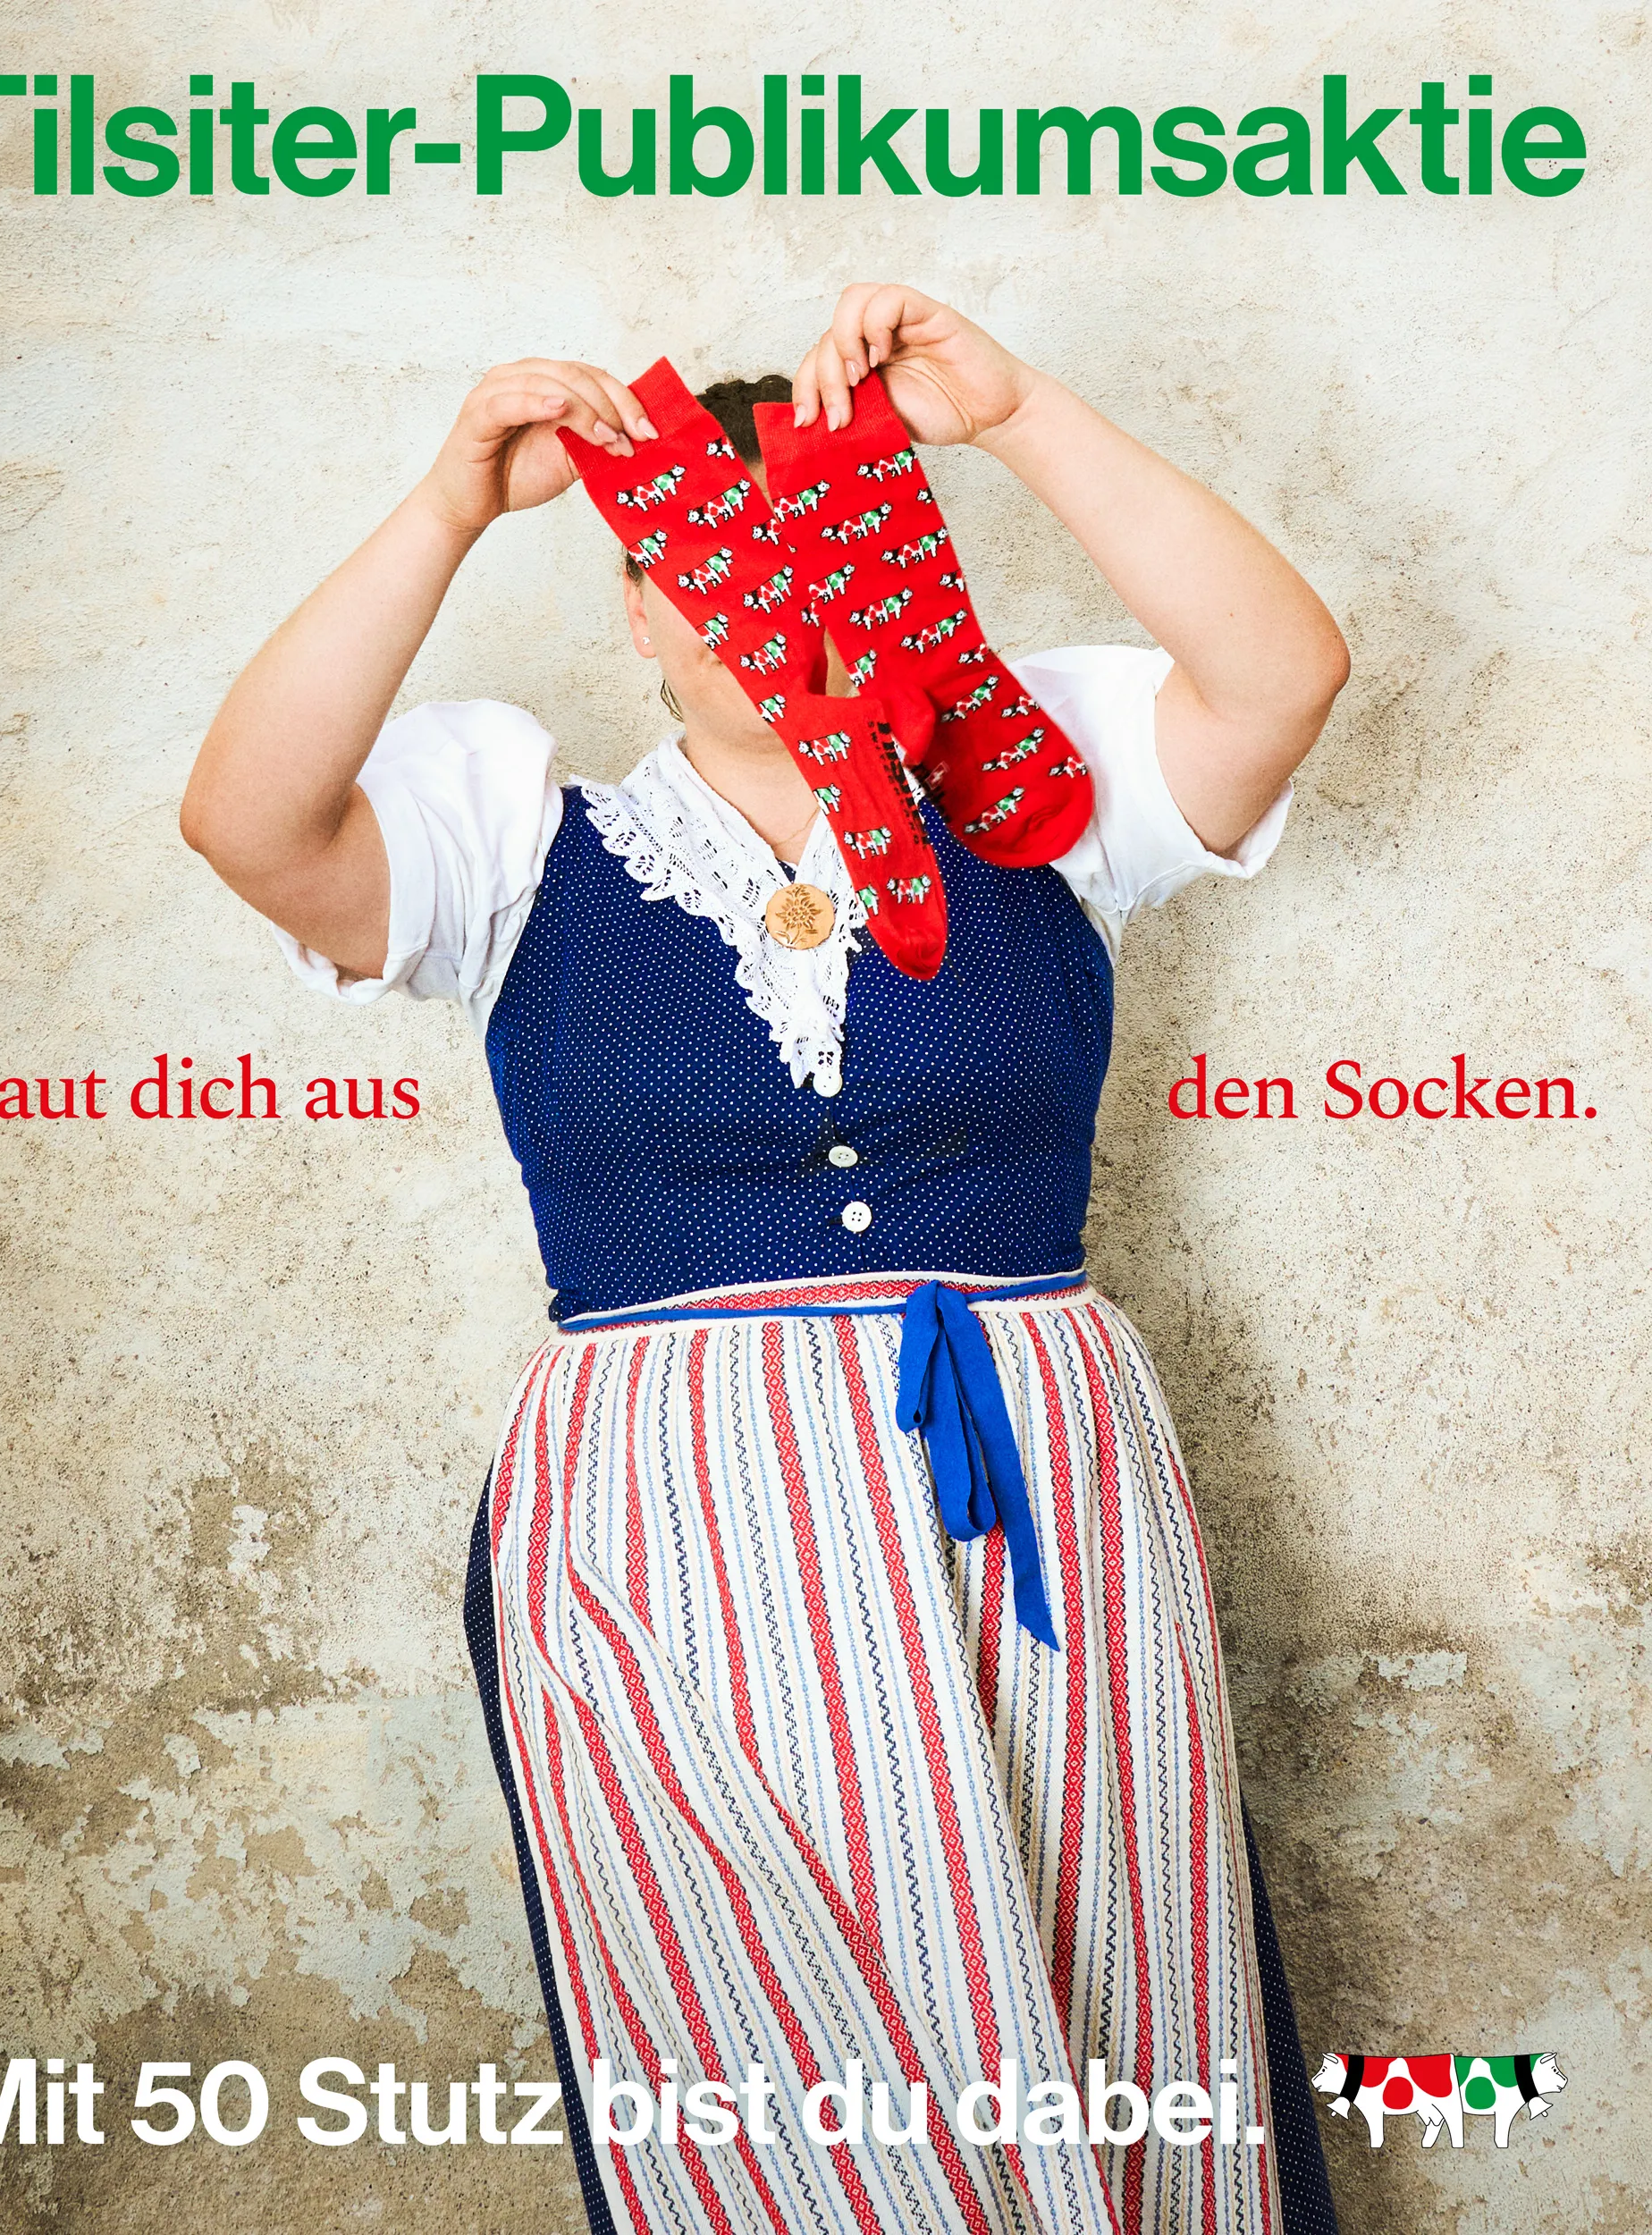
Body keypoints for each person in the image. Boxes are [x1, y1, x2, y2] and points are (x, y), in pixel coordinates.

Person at [181, 283, 1349, 2235]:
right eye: (713, 564)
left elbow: (1281, 673)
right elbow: (246, 818)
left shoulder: (1033, 795)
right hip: (664, 1519)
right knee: (766, 2065)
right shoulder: (521, 846)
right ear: (642, 604)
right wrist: (447, 506)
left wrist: (1013, 410)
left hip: (1029, 1500)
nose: (778, 603)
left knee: (1109, 1984)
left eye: (829, 543)